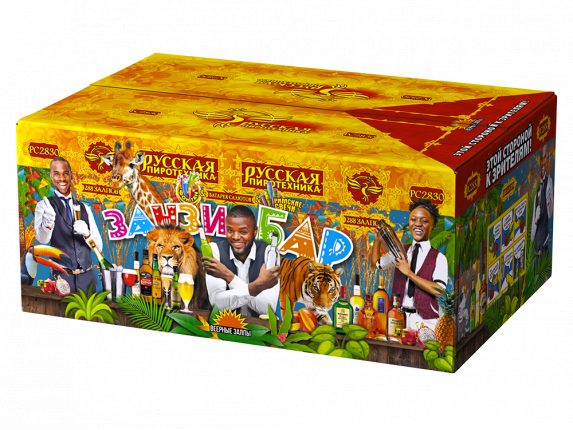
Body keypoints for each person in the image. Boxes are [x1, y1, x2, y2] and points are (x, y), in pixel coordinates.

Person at [370, 199, 447, 331]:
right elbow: (376, 264)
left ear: (433, 226)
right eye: (413, 219)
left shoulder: (439, 258)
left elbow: (438, 291)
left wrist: (409, 273)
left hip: (426, 322)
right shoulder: (400, 251)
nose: (418, 224)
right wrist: (377, 241)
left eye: (424, 221)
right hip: (398, 318)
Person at [34, 157, 104, 294]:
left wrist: (87, 235)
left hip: (88, 279)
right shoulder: (44, 206)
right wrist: (47, 225)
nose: (62, 178)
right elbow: (42, 239)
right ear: (51, 176)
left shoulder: (85, 208)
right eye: (57, 174)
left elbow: (99, 247)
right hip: (61, 278)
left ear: (71, 175)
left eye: (65, 173)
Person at [202, 205, 280, 317]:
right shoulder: (214, 250)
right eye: (230, 230)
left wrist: (228, 276)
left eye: (243, 232)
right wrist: (258, 286)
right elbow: (217, 305)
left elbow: (267, 308)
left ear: (255, 231)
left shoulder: (270, 253)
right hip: (225, 325)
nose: (235, 237)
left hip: (259, 327)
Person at [531, 143, 553, 255]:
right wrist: (535, 220)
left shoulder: (549, 181)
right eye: (542, 158)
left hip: (545, 244)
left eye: (545, 157)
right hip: (536, 248)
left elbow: (550, 214)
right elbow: (533, 225)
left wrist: (548, 203)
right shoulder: (535, 191)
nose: (543, 162)